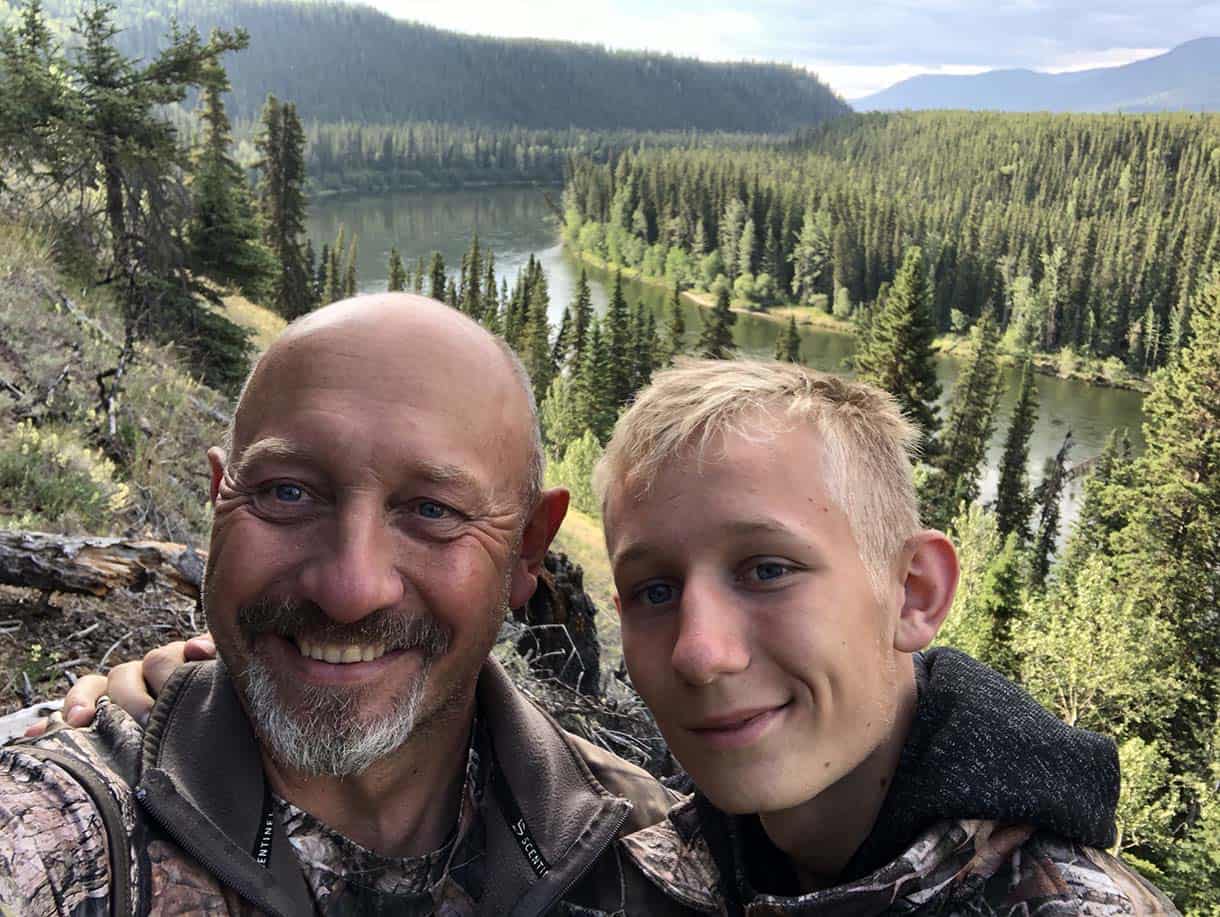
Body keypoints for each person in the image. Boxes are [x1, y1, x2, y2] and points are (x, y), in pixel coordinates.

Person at [39, 358, 1180, 914]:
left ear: (915, 591)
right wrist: (235, 687)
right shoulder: (645, 857)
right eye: (652, 588)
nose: (701, 650)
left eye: (768, 568)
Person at [0, 294, 683, 916]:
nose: (350, 591)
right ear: (218, 499)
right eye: (287, 493)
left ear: (527, 550)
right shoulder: (60, 821)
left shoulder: (650, 860)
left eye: (432, 510)